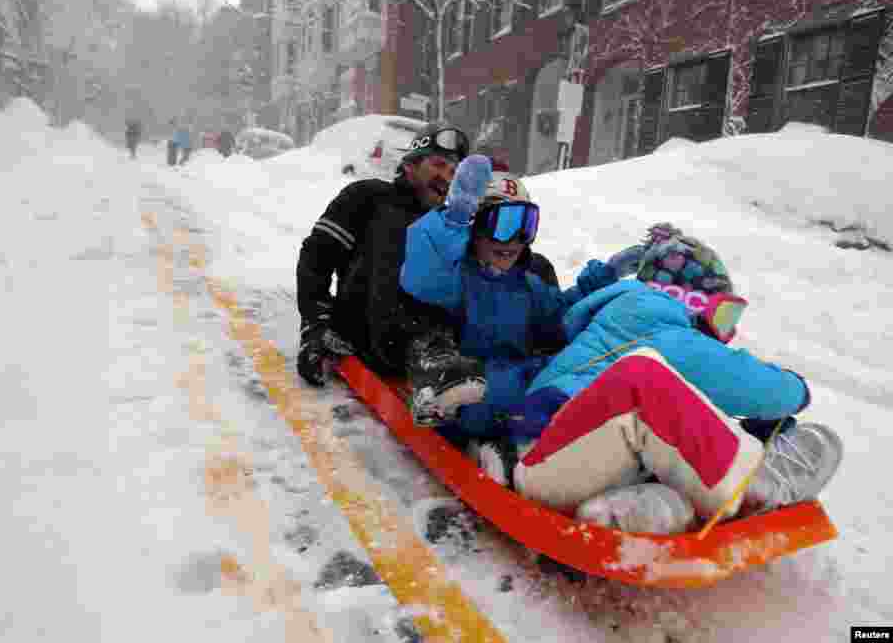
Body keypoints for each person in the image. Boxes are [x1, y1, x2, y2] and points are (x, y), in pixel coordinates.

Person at [477, 223, 843, 533]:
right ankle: (748, 488)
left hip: (577, 458)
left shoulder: (628, 322)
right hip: (544, 455)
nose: (723, 333)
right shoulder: (656, 321)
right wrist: (796, 388)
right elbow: (748, 385)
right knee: (644, 378)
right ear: (689, 299)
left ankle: (635, 511)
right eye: (723, 315)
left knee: (675, 416)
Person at [398, 156, 620, 435]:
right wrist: (452, 224)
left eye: (524, 224)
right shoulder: (453, 279)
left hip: (521, 385)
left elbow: (560, 317)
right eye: (502, 224)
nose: (514, 239)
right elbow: (423, 276)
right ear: (473, 228)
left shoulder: (526, 284)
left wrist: (594, 287)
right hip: (468, 395)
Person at [296, 123, 473, 387]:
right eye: (438, 165)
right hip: (365, 332)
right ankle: (426, 349)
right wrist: (316, 322)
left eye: (453, 172)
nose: (446, 178)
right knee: (404, 225)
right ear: (411, 164)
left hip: (438, 341)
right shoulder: (368, 197)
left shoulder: (448, 223)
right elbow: (317, 257)